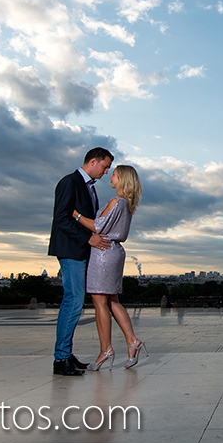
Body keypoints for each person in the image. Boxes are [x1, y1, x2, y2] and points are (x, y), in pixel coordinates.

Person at [72, 164, 147, 370]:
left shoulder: (116, 201)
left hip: (103, 253)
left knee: (100, 303)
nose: (109, 177)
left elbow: (97, 227)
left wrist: (75, 214)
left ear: (122, 179)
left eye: (113, 174)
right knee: (113, 301)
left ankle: (106, 350)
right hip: (115, 251)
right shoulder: (127, 204)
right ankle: (132, 341)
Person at [48, 147, 114, 376]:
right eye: (105, 166)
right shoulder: (70, 182)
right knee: (73, 302)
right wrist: (89, 238)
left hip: (78, 250)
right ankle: (61, 358)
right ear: (93, 161)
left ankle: (65, 354)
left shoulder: (86, 187)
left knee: (75, 301)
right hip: (71, 250)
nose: (106, 172)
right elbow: (61, 218)